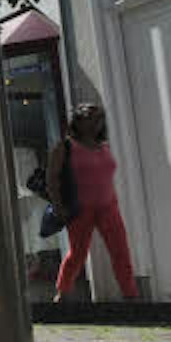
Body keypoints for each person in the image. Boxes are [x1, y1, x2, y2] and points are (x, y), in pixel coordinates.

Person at [45, 103, 141, 303]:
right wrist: (59, 205)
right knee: (78, 254)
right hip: (81, 208)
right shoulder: (65, 147)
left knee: (120, 251)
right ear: (78, 121)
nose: (95, 122)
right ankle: (62, 293)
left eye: (98, 118)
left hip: (108, 206)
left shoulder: (104, 146)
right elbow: (52, 179)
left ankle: (131, 296)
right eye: (89, 117)